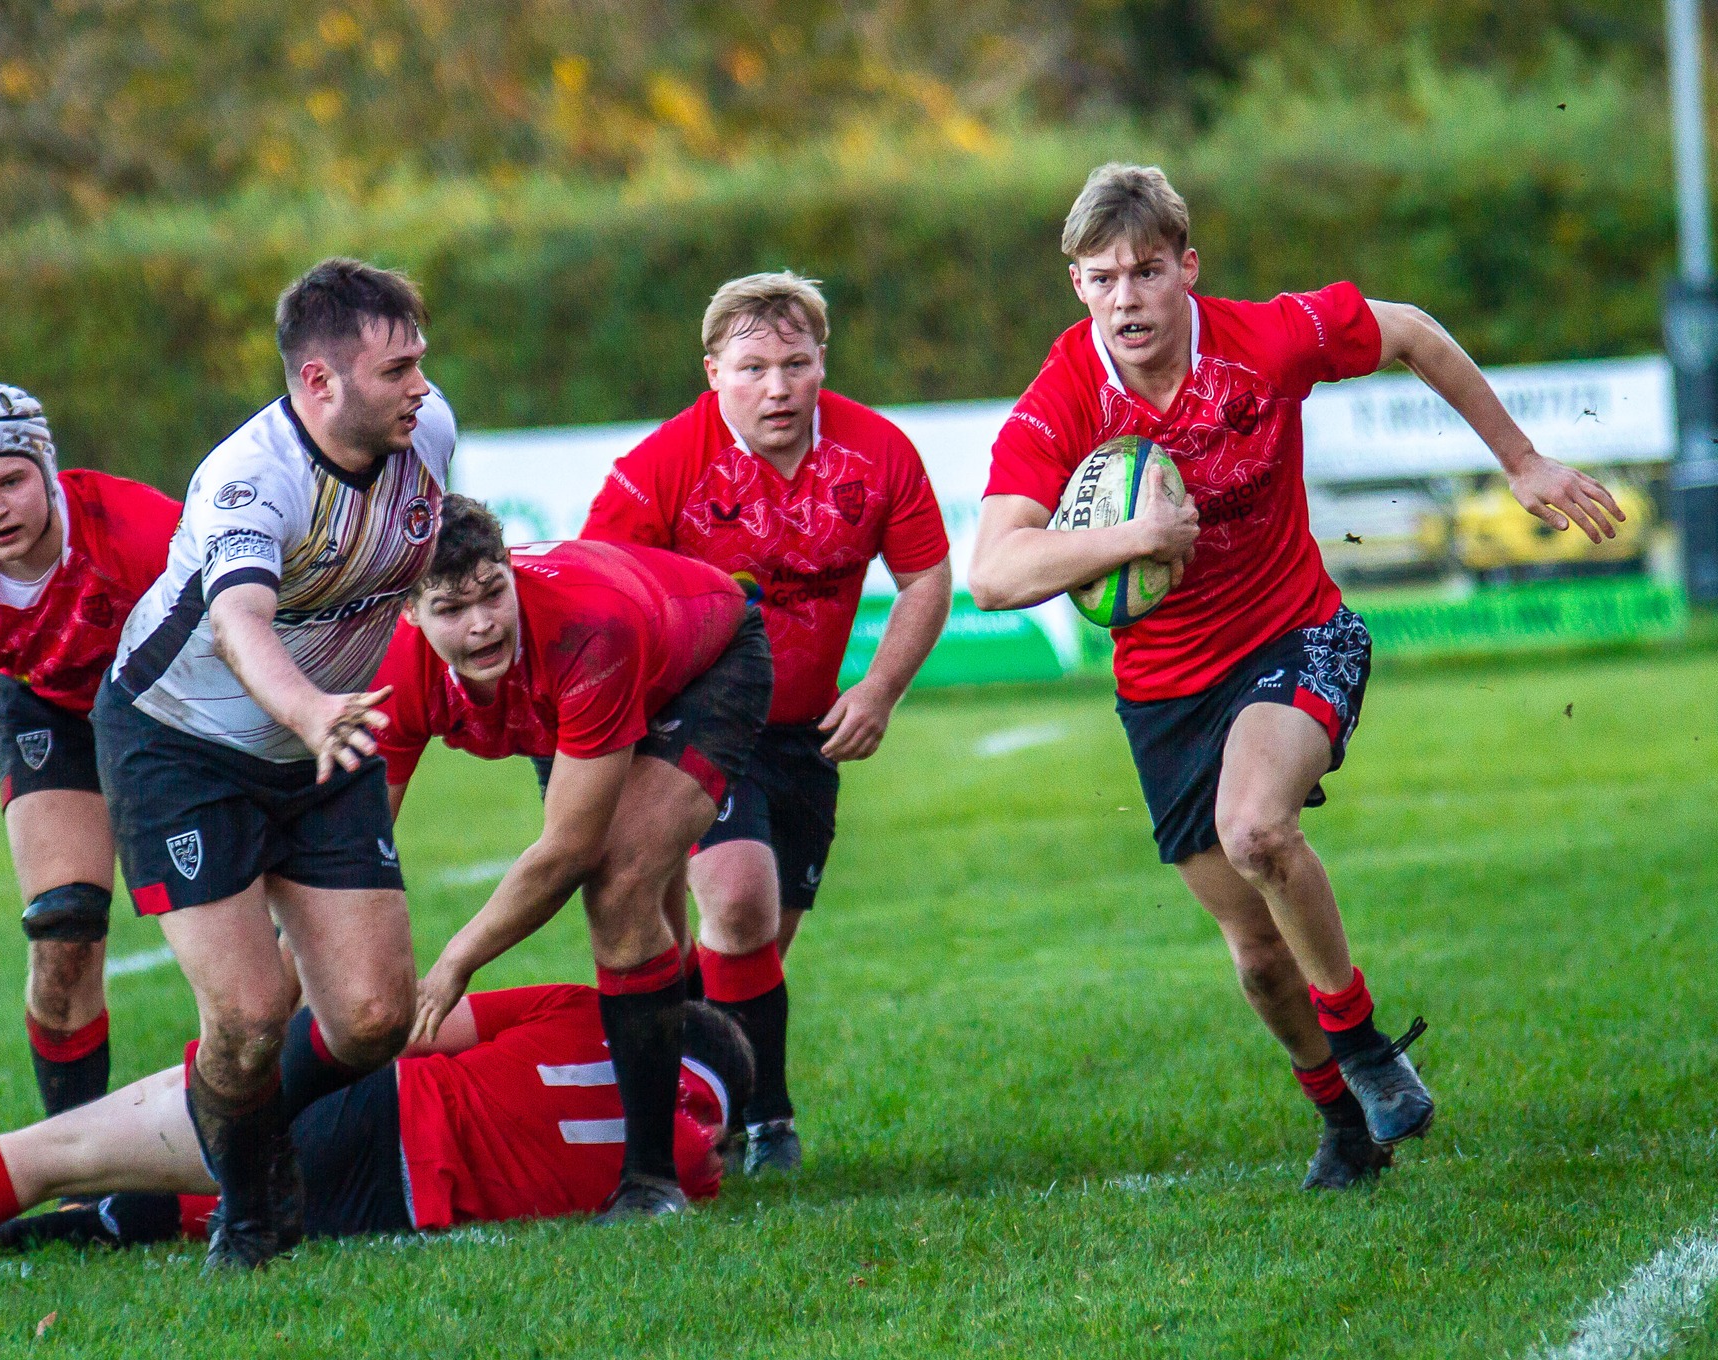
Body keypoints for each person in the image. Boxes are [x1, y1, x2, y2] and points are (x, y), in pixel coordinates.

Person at [968, 163, 1624, 1189]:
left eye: (1146, 271)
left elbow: (1409, 331)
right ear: (1076, 285)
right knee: (1258, 958)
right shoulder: (1065, 398)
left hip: (1295, 632)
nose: (1126, 298)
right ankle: (1343, 1119)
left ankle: (1363, 1044)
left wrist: (1521, 461)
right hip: (1164, 690)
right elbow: (992, 572)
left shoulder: (1265, 340)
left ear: (1187, 268)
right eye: (1102, 278)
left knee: (1256, 829)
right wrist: (1134, 538)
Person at [93, 258, 456, 1268]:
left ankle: (246, 1139)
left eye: (419, 362)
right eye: (396, 370)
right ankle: (254, 1207)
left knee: (376, 1015)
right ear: (318, 382)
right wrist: (310, 711)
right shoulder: (249, 480)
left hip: (322, 741)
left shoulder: (428, 432)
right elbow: (240, 623)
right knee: (251, 1015)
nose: (420, 387)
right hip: (180, 745)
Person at [581, 271, 951, 1174]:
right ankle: (769, 1124)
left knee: (750, 946)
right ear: (713, 372)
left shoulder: (878, 453)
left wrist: (879, 690)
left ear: (823, 361)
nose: (777, 387)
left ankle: (689, 1094)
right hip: (699, 722)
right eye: (752, 368)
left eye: (795, 364)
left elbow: (927, 578)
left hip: (805, 735)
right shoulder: (665, 465)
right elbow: (597, 589)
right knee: (740, 899)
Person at [0, 990, 752, 1280]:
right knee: (194, 1199)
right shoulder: (690, 1173)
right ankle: (41, 1233)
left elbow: (403, 1026)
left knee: (52, 1149)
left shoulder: (581, 1007)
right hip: (382, 1211)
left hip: (371, 1114)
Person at [373, 495, 771, 1222]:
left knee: (617, 884)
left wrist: (455, 962)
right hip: (583, 685)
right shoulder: (396, 668)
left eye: (493, 593)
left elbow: (567, 852)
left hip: (707, 664)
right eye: (452, 609)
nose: (482, 623)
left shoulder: (587, 629)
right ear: (408, 613)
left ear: (511, 571)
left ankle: (652, 1178)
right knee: (644, 893)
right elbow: (358, 848)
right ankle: (705, 1083)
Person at [0, 383, 180, 1117]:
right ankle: (75, 1151)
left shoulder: (142, 529)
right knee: (63, 930)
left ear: (47, 467)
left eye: (11, 481)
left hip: (179, 712)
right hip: (51, 709)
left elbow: (252, 631)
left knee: (252, 937)